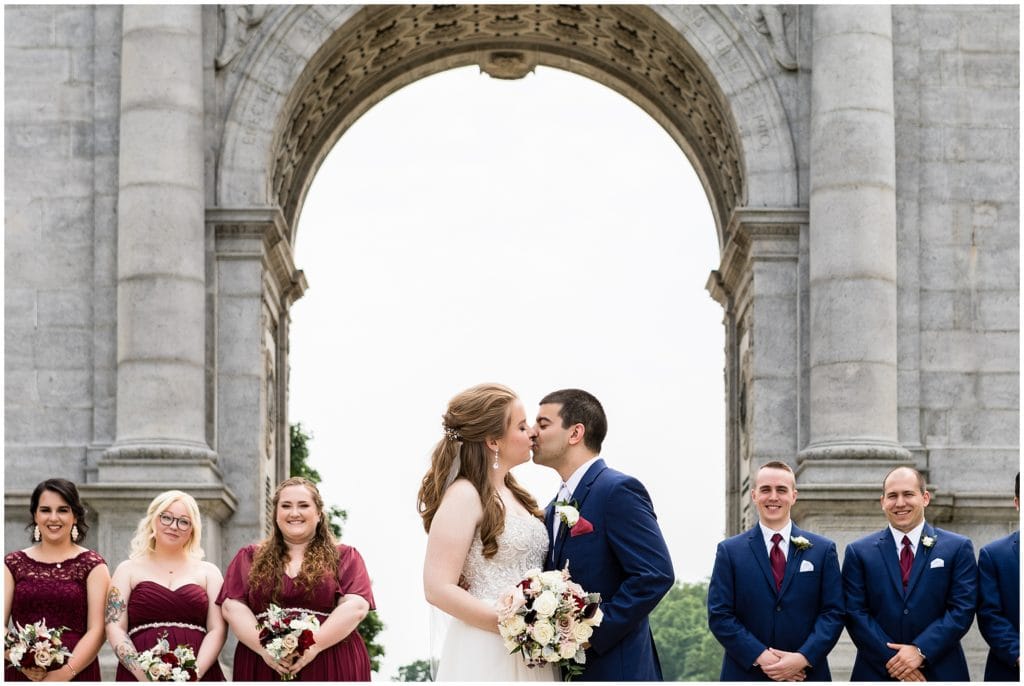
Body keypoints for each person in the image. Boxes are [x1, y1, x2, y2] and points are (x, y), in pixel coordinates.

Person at [532, 388, 674, 681]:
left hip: (618, 668)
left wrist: (590, 632)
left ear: (575, 433)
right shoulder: (549, 509)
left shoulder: (617, 490)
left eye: (543, 424)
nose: (533, 433)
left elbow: (654, 574)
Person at [418, 383, 556, 681]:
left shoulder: (516, 494)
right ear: (494, 441)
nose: (532, 431)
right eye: (521, 427)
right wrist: (516, 625)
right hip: (486, 647)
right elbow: (437, 588)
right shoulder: (464, 495)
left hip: (533, 647)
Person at [218, 477, 374, 681]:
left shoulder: (345, 557)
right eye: (285, 506)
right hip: (263, 663)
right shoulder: (249, 557)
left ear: (318, 513)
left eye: (303, 505)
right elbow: (232, 606)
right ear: (275, 514)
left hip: (331, 660)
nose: (294, 513)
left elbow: (356, 607)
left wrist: (314, 645)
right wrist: (265, 649)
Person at [707, 461, 844, 681]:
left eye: (781, 490)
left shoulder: (822, 550)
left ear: (794, 496)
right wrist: (762, 657)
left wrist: (802, 657)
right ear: (754, 495)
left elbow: (833, 612)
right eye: (765, 490)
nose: (773, 497)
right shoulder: (729, 551)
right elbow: (720, 615)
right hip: (746, 674)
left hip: (807, 675)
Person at [842, 466, 978, 681]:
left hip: (941, 669)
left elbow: (962, 608)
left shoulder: (957, 547)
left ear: (925, 498)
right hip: (877, 671)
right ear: (882, 502)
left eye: (908, 494)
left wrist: (920, 650)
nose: (900, 503)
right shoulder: (858, 552)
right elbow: (855, 612)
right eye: (892, 496)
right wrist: (894, 661)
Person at [105, 490, 226, 681]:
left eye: (183, 521)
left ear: (192, 529)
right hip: (138, 676)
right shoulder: (127, 570)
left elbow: (217, 629)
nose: (174, 526)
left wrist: (193, 674)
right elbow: (115, 627)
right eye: (166, 518)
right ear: (153, 520)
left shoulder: (209, 572)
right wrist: (142, 674)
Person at [3, 478, 110, 681]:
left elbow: (98, 630)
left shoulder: (93, 565)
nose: (54, 518)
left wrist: (64, 673)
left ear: (75, 516)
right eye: (45, 510)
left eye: (63, 510)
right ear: (35, 515)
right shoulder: (12, 564)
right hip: (20, 671)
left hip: (77, 672)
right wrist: (18, 658)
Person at [977, 472, 1019, 681]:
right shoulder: (993, 555)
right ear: (1017, 503)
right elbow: (989, 615)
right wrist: (1019, 655)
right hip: (1011, 671)